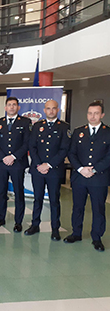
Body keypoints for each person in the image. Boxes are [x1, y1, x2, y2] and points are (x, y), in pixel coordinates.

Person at [64, 101, 110, 252]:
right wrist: (80, 168)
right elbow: (72, 153)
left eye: (96, 113)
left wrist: (94, 169)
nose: (93, 116)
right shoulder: (78, 132)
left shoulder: (108, 132)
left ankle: (97, 237)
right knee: (77, 207)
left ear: (102, 115)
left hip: (99, 178)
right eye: (90, 113)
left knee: (98, 208)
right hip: (79, 177)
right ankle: (76, 233)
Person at [25, 100, 71, 240]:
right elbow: (32, 147)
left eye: (53, 108)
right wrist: (39, 164)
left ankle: (55, 229)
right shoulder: (37, 126)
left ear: (58, 110)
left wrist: (49, 165)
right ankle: (34, 225)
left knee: (54, 200)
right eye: (48, 108)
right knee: (37, 198)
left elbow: (64, 149)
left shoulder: (64, 127)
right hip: (38, 169)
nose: (51, 111)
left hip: (54, 170)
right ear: (44, 110)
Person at [0, 97, 31, 232]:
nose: (12, 107)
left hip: (17, 163)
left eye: (14, 105)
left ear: (18, 107)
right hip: (1, 163)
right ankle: (0, 218)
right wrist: (3, 157)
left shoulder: (25, 122)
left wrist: (13, 156)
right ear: (5, 107)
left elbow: (27, 143)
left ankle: (18, 222)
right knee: (1, 192)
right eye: (9, 105)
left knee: (18, 192)